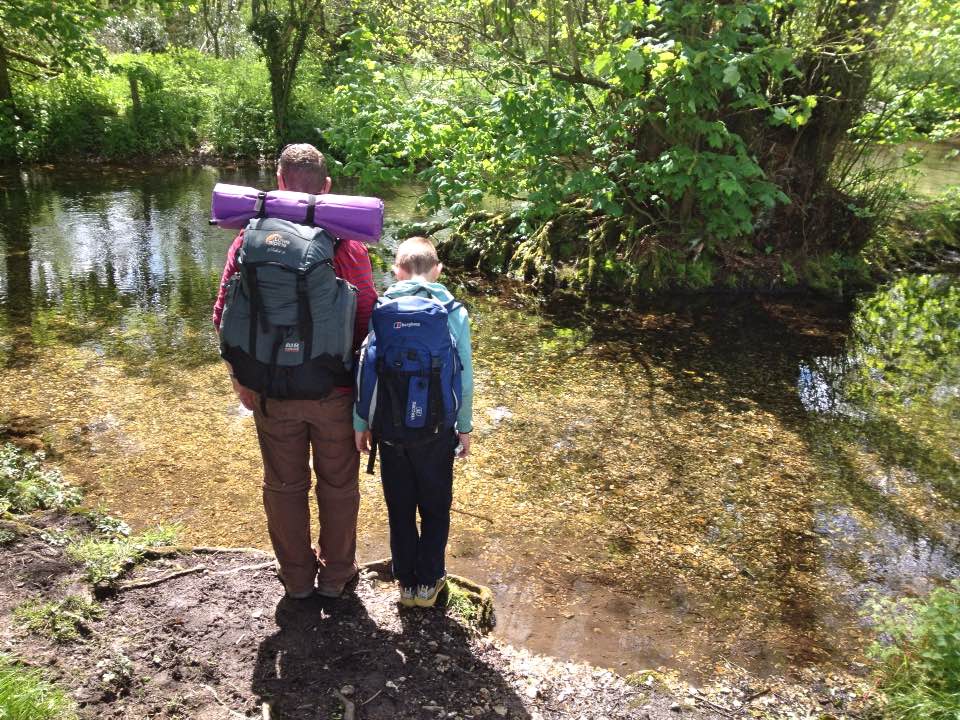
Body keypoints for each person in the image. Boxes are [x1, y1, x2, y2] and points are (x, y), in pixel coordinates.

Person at [212, 143, 378, 599]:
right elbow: (367, 317)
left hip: (272, 390)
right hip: (334, 390)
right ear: (327, 188)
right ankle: (337, 576)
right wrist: (364, 395)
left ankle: (297, 579)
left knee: (284, 486)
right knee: (338, 484)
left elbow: (223, 313)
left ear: (278, 183)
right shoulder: (346, 243)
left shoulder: (250, 237)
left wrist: (240, 378)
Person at [353, 236, 474, 608]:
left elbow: (366, 368)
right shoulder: (453, 311)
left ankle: (406, 584)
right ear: (438, 270)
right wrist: (465, 427)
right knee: (435, 508)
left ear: (397, 271)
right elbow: (464, 378)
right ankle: (429, 584)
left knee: (400, 508)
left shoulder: (382, 309)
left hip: (390, 430)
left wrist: (361, 422)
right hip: (436, 432)